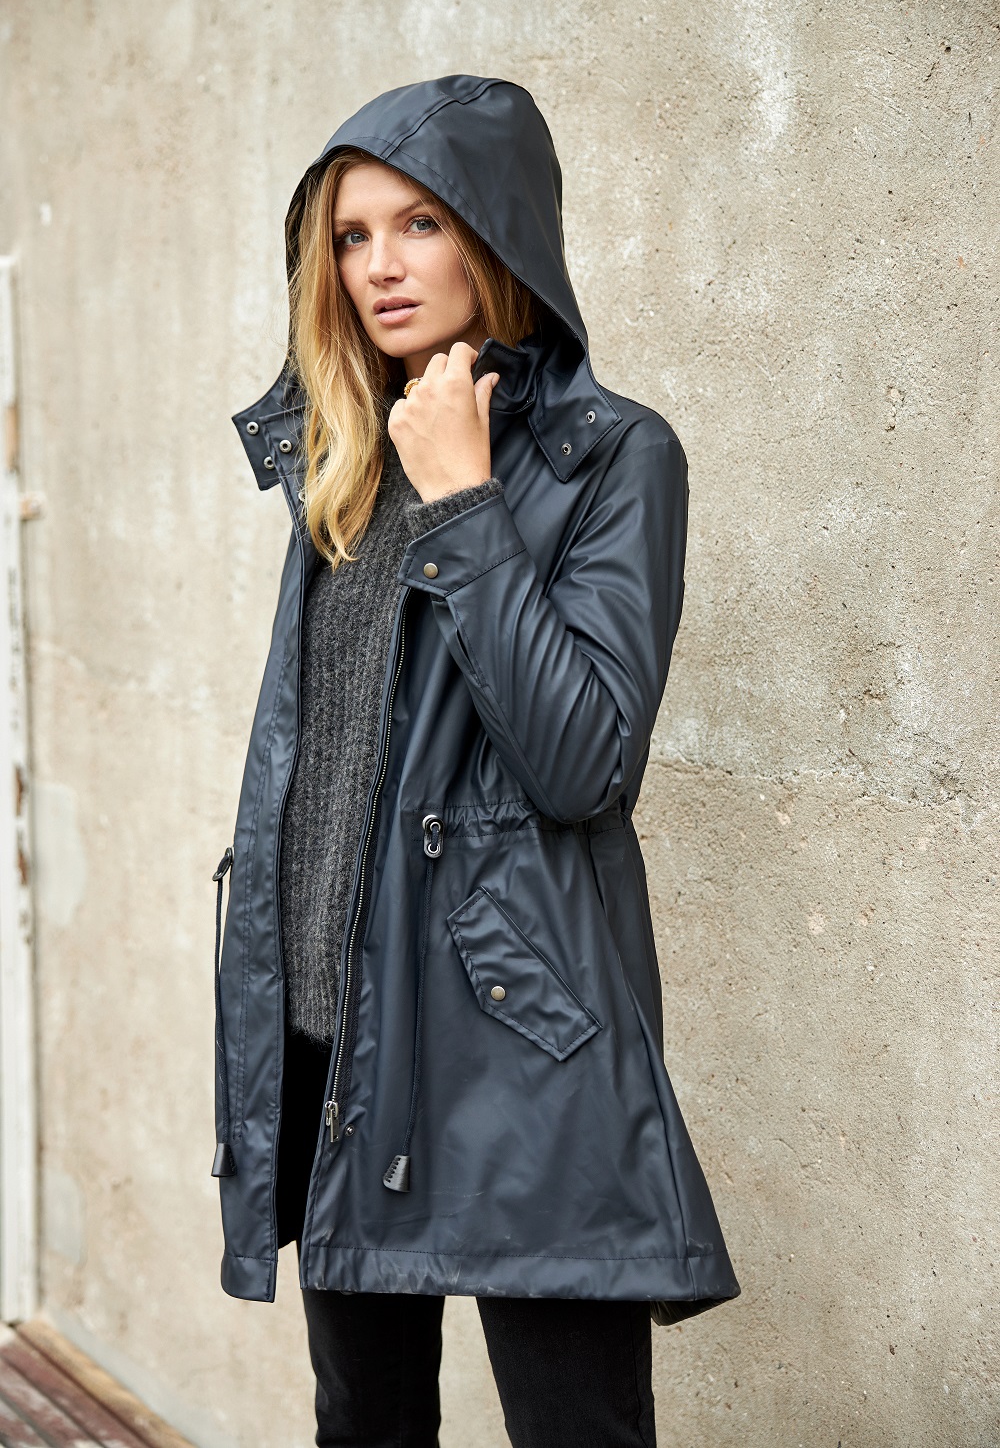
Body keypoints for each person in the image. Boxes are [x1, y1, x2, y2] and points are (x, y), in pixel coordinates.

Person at [211, 74, 740, 1448]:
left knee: (576, 1429)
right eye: (350, 236)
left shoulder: (611, 457)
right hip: (338, 1025)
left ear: (497, 233)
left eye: (421, 223)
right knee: (363, 1422)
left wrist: (467, 497)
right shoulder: (340, 456)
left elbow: (582, 765)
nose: (380, 265)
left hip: (519, 1043)